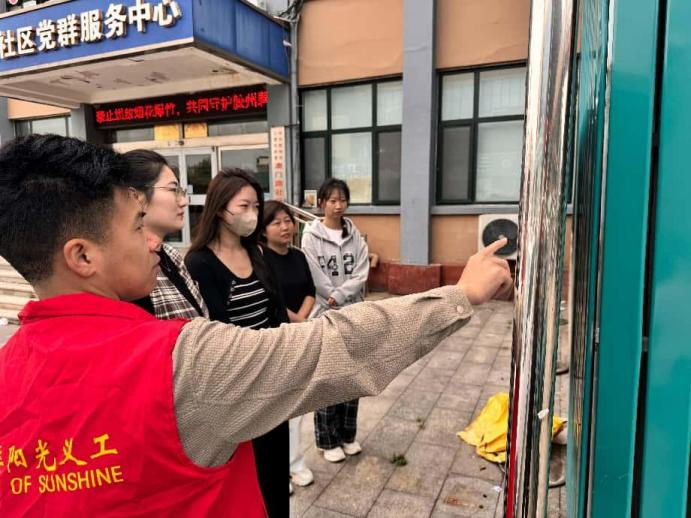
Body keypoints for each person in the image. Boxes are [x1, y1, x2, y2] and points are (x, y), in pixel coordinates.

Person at [0, 135, 512, 517]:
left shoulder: (8, 372)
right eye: (137, 226)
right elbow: (333, 347)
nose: (153, 240)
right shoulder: (180, 362)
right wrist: (459, 295)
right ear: (82, 256)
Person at [184, 169, 289, 517]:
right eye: (244, 206)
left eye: (256, 206)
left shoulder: (257, 252)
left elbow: (276, 312)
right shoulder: (199, 263)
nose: (252, 214)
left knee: (275, 473)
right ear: (220, 210)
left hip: (272, 380)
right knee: (246, 478)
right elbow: (216, 331)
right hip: (237, 387)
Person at [301, 179, 369, 463]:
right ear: (321, 203)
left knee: (353, 376)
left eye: (342, 200)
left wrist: (340, 295)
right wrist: (333, 297)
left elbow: (362, 272)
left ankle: (347, 435)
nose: (338, 205)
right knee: (329, 378)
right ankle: (327, 441)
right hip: (326, 313)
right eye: (332, 200)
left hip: (353, 312)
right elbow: (314, 273)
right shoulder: (310, 236)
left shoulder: (355, 235)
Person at [260, 201, 316, 491]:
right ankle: (277, 468)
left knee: (297, 405)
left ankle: (295, 463)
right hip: (276, 338)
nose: (285, 227)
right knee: (275, 408)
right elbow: (272, 300)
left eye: (288, 221)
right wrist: (297, 322)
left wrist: (303, 320)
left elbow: (310, 291)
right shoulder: (259, 259)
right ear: (263, 229)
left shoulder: (298, 255)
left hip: (300, 336)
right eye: (276, 222)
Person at [122, 149, 208, 320]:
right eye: (173, 189)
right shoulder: (125, 271)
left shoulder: (172, 255)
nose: (184, 201)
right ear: (136, 197)